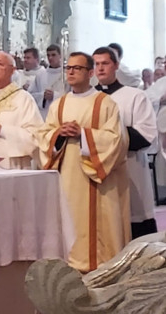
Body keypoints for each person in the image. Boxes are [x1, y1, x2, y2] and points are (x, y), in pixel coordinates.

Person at [38, 51, 129, 273]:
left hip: (95, 182)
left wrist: (84, 135)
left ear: (90, 73)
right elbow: (43, 137)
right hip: (66, 178)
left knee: (96, 231)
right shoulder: (58, 105)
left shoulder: (105, 103)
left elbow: (117, 140)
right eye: (68, 68)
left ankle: (100, 272)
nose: (70, 72)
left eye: (76, 68)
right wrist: (58, 134)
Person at [93, 47, 158, 239]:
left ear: (116, 66)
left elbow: (145, 135)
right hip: (96, 171)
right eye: (96, 64)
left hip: (130, 169)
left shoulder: (134, 96)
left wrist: (107, 136)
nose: (100, 68)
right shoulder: (88, 98)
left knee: (134, 224)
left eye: (105, 63)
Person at [39, 44, 67, 118]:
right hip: (44, 114)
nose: (50, 58)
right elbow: (32, 95)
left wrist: (54, 96)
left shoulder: (66, 75)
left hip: (62, 113)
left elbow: (72, 96)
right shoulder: (41, 75)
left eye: (53, 55)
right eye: (48, 55)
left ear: (60, 56)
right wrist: (43, 96)